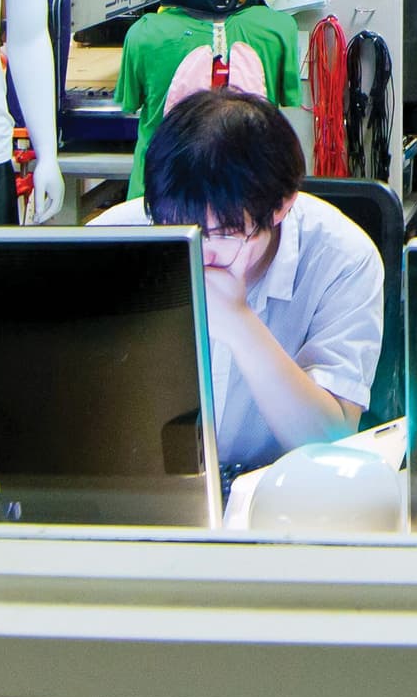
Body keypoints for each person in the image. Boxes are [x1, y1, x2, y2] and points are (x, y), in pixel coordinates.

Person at [95, 88, 382, 475]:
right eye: (181, 226)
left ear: (282, 206)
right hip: (138, 482)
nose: (200, 251)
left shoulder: (342, 259)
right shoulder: (113, 239)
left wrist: (239, 322)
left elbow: (330, 443)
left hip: (276, 495)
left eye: (224, 234)